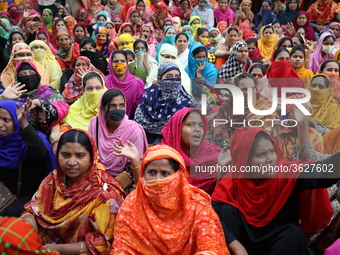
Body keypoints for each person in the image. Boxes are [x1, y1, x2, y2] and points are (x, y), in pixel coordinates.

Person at [212, 123, 337, 255]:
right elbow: (214, 213)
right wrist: (236, 245)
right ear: (245, 160)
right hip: (244, 248)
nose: (270, 159)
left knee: (294, 234)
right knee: (227, 211)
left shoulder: (286, 172)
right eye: (261, 154)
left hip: (281, 246)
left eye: (272, 151)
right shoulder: (233, 180)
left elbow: (321, 173)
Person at [111, 144, 230, 254]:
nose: (158, 180)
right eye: (152, 172)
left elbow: (210, 246)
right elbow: (123, 246)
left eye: (165, 173)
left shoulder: (197, 206)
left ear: (179, 175)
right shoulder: (133, 203)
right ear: (143, 174)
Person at [22, 129, 126, 254]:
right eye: (65, 155)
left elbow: (106, 242)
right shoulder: (52, 180)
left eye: (80, 156)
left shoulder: (105, 195)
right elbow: (31, 210)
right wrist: (29, 236)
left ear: (92, 157)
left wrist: (60, 249)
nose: (71, 162)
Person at [0, 100, 55, 217]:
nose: (0, 124)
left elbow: (40, 153)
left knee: (6, 217)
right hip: (5, 193)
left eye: (6, 120)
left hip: (32, 195)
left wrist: (23, 123)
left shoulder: (29, 139)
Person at [88, 88, 148, 179]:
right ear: (103, 109)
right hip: (97, 175)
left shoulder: (134, 130)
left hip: (124, 178)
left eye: (121, 105)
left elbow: (137, 164)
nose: (118, 109)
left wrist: (113, 185)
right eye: (113, 106)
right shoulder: (94, 124)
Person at [160, 108, 221, 195]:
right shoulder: (161, 155)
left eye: (200, 125)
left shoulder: (214, 155)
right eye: (191, 125)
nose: (197, 129)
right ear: (177, 128)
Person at [135, 62, 197, 144]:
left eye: (177, 77)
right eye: (169, 77)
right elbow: (138, 120)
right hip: (147, 145)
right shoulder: (149, 96)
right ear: (160, 79)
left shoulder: (186, 102)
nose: (174, 80)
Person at [214, 73, 278, 145]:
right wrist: (227, 148)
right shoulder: (227, 106)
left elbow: (266, 134)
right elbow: (220, 131)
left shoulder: (265, 107)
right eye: (244, 90)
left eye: (252, 89)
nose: (249, 93)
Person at [104, 50, 144, 118]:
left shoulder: (137, 83)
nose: (120, 64)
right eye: (116, 61)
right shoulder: (104, 82)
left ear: (127, 63)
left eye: (122, 61)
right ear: (110, 64)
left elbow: (141, 108)